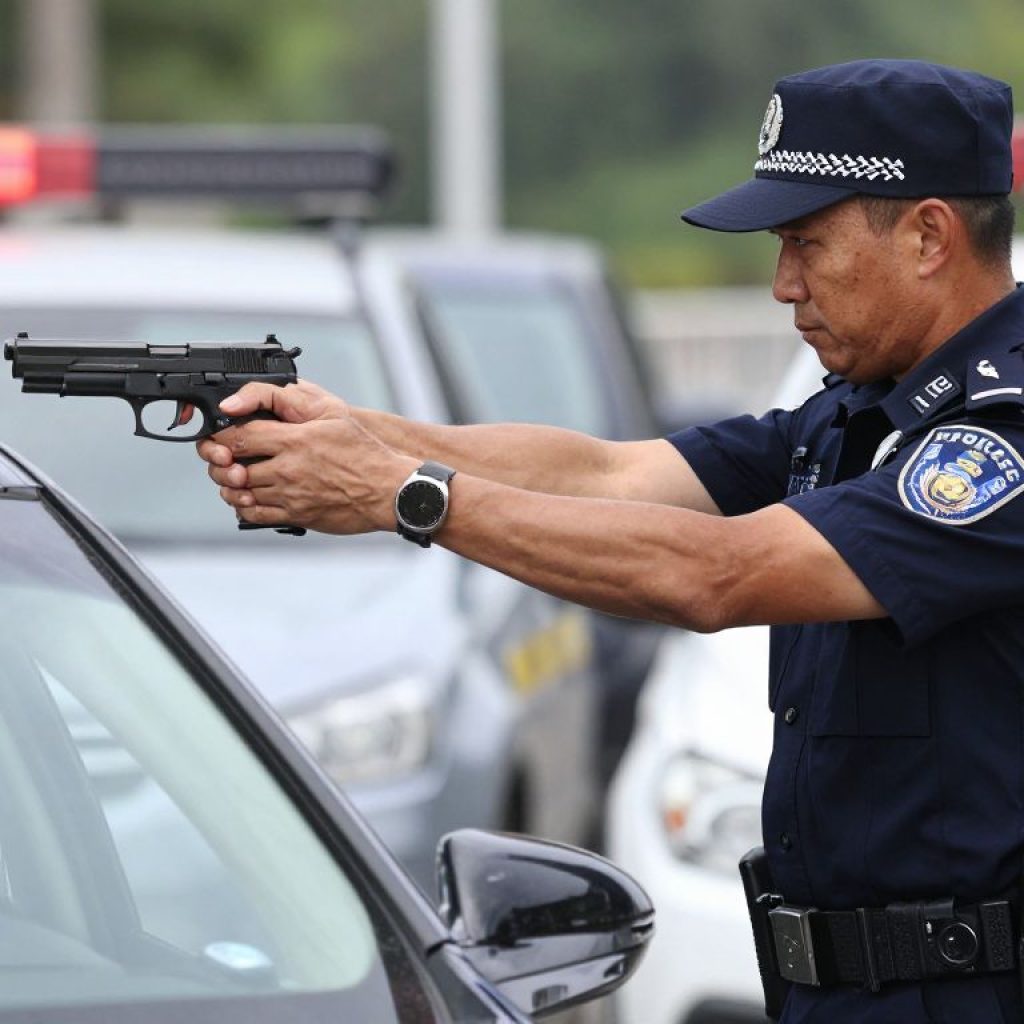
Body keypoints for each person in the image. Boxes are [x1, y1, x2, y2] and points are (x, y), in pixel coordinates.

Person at [198, 60, 1024, 1022]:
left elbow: (715, 575)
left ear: (928, 235)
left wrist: (404, 496)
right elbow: (612, 475)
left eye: (807, 241)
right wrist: (359, 435)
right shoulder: (857, 413)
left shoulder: (998, 439)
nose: (782, 283)